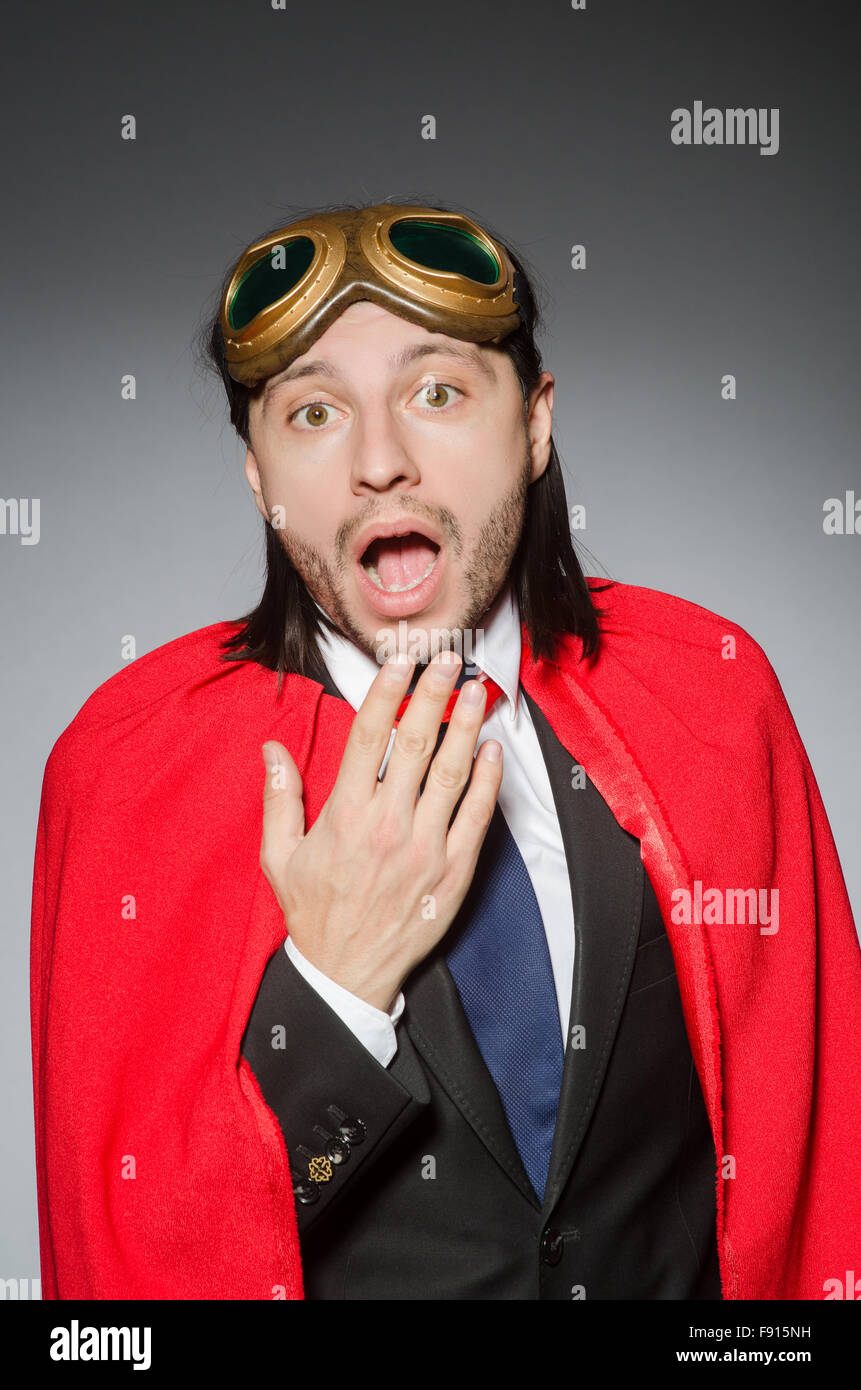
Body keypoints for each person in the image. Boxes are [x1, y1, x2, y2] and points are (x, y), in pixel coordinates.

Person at [31, 199, 861, 1301]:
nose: (382, 461)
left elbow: (819, 1185)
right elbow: (127, 1269)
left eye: (437, 392)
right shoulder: (131, 768)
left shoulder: (713, 695)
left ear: (535, 423)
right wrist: (332, 988)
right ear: (258, 477)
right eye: (314, 413)